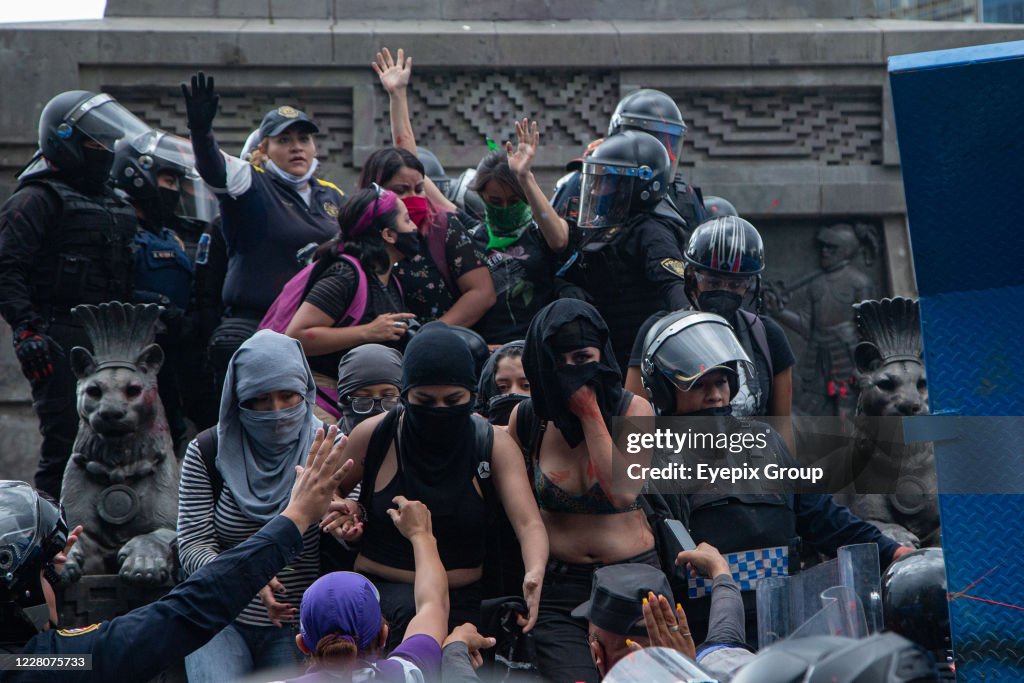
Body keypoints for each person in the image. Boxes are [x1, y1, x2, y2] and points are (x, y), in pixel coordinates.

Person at [638, 310, 911, 645]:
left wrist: (892, 551)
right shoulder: (655, 461)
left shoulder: (765, 442)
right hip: (709, 637)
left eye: (721, 382)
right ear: (666, 393)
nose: (715, 396)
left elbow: (824, 517)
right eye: (700, 385)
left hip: (787, 627)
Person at [0, 426, 354, 682]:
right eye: (48, 572)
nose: (57, 581)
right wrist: (295, 518)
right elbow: (185, 612)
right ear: (19, 584)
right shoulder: (42, 666)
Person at [324, 322, 548, 649]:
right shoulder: (375, 435)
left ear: (473, 396)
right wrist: (344, 509)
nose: (440, 411)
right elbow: (325, 489)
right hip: (379, 599)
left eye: (453, 400)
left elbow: (528, 523)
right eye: (425, 401)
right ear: (405, 396)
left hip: (461, 605)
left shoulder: (492, 445)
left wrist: (535, 571)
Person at [0, 90, 149, 499]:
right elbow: (6, 267)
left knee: (127, 440)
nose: (104, 150)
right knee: (65, 439)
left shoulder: (115, 201)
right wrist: (27, 330)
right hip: (58, 333)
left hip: (114, 339)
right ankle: (50, 543)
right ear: (64, 140)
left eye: (107, 142)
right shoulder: (35, 199)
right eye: (93, 142)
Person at [508, 299, 656, 683]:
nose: (573, 371)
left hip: (633, 579)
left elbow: (622, 493)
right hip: (560, 589)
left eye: (583, 357)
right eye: (560, 362)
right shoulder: (527, 420)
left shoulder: (633, 410)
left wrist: (589, 412)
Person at [176, 330, 331, 682]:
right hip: (219, 614)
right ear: (238, 400)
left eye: (288, 396)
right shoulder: (207, 451)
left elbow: (351, 522)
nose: (276, 412)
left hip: (299, 622)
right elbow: (192, 544)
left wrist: (345, 520)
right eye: (260, 400)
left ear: (305, 390)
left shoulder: (329, 446)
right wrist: (243, 576)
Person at [180, 72, 346, 392]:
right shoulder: (251, 183)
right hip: (255, 325)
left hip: (316, 330)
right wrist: (201, 133)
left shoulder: (333, 195)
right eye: (284, 141)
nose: (296, 148)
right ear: (264, 149)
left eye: (303, 139)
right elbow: (213, 168)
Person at [625, 215, 796, 447]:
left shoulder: (767, 335)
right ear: (691, 278)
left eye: (735, 285)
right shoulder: (658, 335)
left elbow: (782, 427)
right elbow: (633, 428)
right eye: (713, 282)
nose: (724, 291)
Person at [369, 48, 496, 326]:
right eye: (399, 191)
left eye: (418, 190)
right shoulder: (360, 234)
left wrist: (432, 336)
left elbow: (481, 293)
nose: (412, 198)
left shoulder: (443, 225)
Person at [112, 128, 219, 451]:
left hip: (182, 351)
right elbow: (115, 286)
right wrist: (157, 305)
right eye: (168, 181)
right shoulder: (120, 226)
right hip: (141, 353)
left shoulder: (171, 235)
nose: (174, 192)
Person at [553, 130, 692, 371]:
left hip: (639, 364)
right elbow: (568, 270)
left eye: (607, 181)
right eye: (596, 180)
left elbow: (675, 288)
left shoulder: (652, 232)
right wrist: (567, 288)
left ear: (640, 185)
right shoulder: (608, 226)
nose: (596, 190)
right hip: (609, 357)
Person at [281, 187, 418, 421]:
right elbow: (297, 336)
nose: (414, 227)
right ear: (388, 235)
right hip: (321, 397)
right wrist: (368, 332)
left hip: (361, 400)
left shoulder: (389, 280)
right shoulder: (345, 275)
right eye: (406, 219)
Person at [282, 498, 447, 682]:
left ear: (302, 644)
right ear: (384, 635)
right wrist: (420, 535)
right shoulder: (406, 674)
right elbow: (433, 605)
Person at [465, 125, 570, 343]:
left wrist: (524, 176)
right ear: (482, 197)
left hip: (538, 346)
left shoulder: (539, 232)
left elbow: (560, 241)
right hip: (489, 351)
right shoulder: (471, 239)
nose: (504, 207)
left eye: (513, 201)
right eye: (495, 202)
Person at [605, 88, 707, 232]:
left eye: (670, 144)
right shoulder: (595, 182)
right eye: (653, 143)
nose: (670, 156)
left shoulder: (685, 197)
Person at [335, 344, 403, 436]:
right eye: (363, 398)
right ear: (344, 400)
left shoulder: (417, 445)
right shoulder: (327, 446)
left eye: (388, 396)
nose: (376, 410)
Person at [475, 340, 528, 427]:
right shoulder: (477, 431)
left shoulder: (553, 429)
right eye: (503, 387)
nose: (513, 392)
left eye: (526, 385)